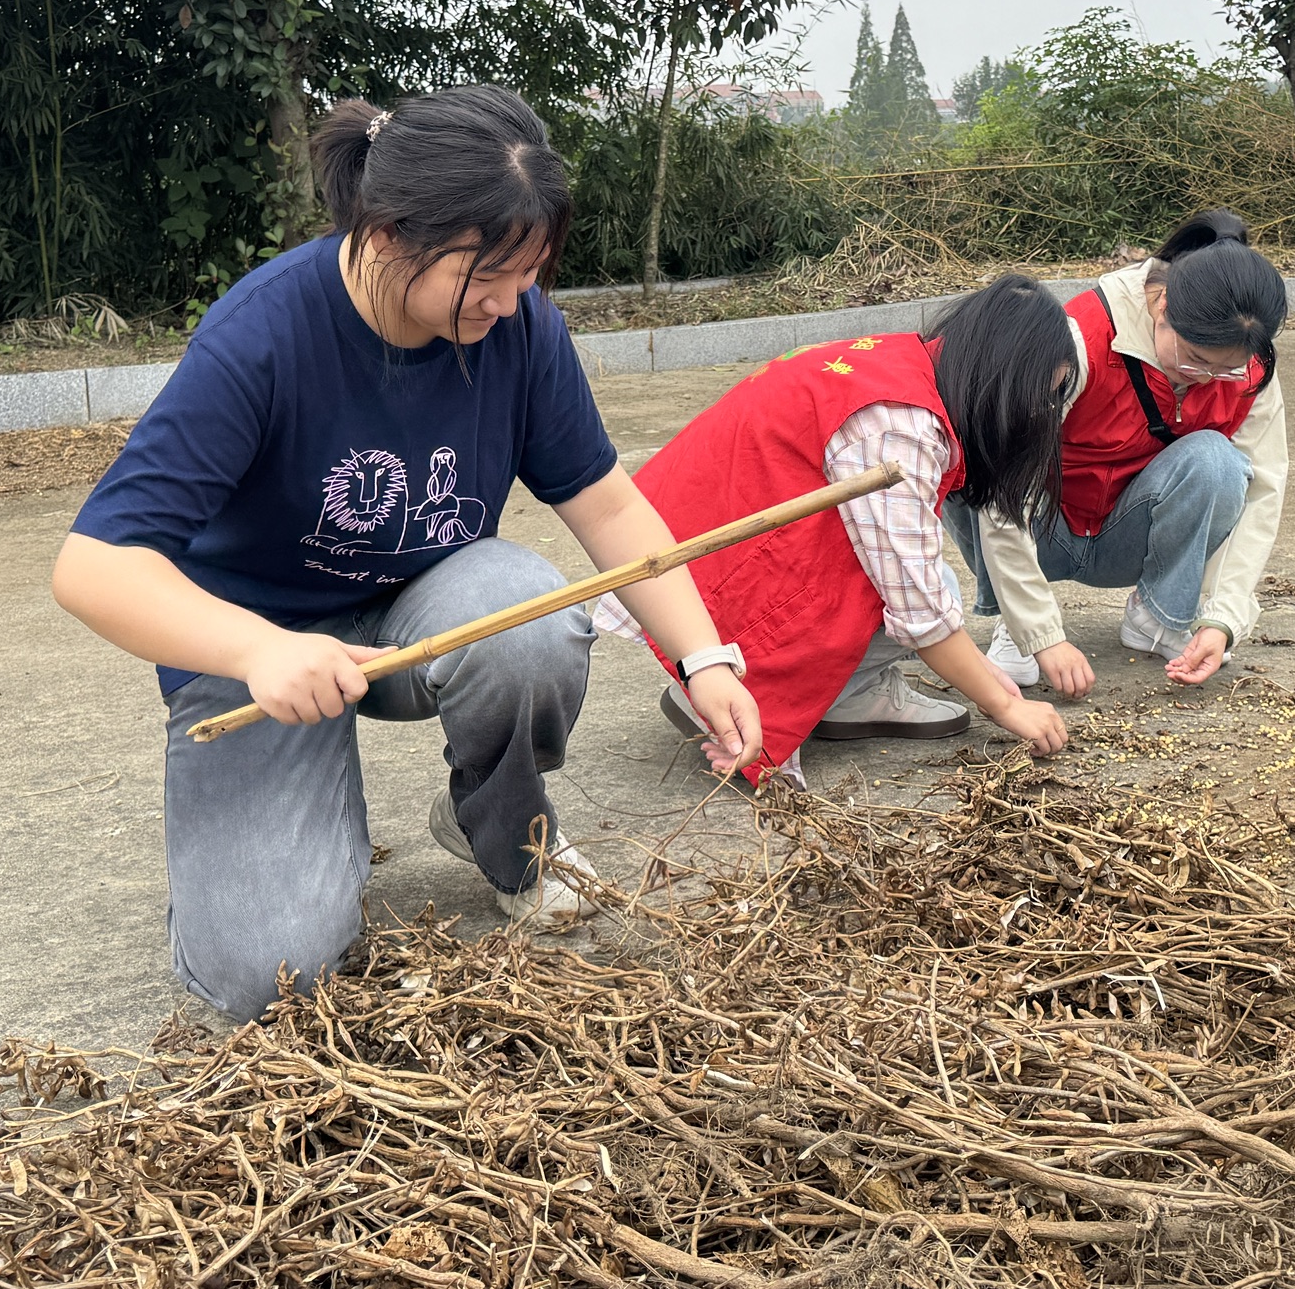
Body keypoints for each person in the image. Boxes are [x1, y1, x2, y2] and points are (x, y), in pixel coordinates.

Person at [51, 87, 764, 1023]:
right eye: (490, 276)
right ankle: (305, 832)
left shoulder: (519, 327)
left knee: (532, 617)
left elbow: (608, 503)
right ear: (388, 235)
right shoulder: (261, 336)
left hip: (420, 610)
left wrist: (705, 657)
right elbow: (94, 567)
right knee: (268, 975)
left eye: (532, 273)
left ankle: (505, 830)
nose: (512, 302)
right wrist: (260, 650)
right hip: (256, 649)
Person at [606, 273, 1076, 784]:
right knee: (921, 589)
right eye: (1039, 397)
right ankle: (725, 683)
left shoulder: (907, 361)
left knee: (935, 580)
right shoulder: (899, 427)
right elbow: (919, 610)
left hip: (703, 537)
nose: (1040, 414)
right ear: (1003, 380)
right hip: (700, 569)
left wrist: (994, 681)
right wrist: (1007, 707)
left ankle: (847, 694)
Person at [952, 212, 1289, 697]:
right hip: (1045, 524)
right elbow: (1003, 489)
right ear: (1162, 304)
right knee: (973, 447)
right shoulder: (1077, 339)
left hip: (1128, 535)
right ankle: (1015, 621)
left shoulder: (1251, 370)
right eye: (1196, 358)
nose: (1206, 378)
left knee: (1219, 462)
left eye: (1226, 370)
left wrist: (1223, 618)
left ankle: (1159, 615)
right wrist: (1040, 632)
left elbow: (1263, 491)